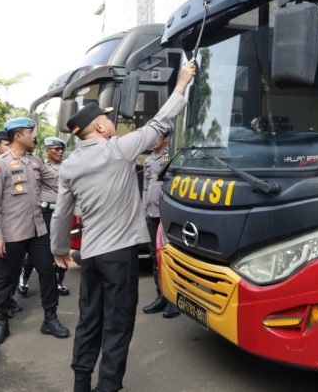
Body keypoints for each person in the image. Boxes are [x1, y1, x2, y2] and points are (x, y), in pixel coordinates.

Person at [51, 59, 195, 392]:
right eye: (106, 118)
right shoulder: (118, 150)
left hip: (91, 256)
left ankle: (81, 382)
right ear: (99, 128)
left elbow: (61, 213)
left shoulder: (70, 165)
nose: (111, 121)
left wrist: (59, 249)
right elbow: (159, 123)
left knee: (89, 319)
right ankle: (108, 386)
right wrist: (182, 83)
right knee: (118, 323)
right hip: (119, 256)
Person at [0, 117, 70, 346]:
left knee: (48, 272)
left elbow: (57, 181)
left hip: (37, 230)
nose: (34, 137)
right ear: (18, 136)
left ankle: (50, 319)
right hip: (10, 234)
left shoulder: (35, 162)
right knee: (5, 279)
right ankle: (2, 323)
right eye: (31, 133)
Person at [19, 136, 70, 297]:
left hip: (63, 212)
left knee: (62, 248)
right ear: (48, 150)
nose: (60, 152)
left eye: (62, 149)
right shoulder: (39, 166)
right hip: (45, 212)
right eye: (56, 149)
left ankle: (58, 281)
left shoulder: (69, 167)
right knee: (40, 249)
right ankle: (24, 278)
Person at [140, 130, 180, 319]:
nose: (153, 141)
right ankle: (161, 296)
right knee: (154, 257)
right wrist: (143, 209)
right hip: (151, 213)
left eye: (157, 137)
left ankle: (173, 300)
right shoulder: (148, 160)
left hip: (166, 214)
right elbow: (146, 187)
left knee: (169, 256)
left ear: (166, 138)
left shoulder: (171, 156)